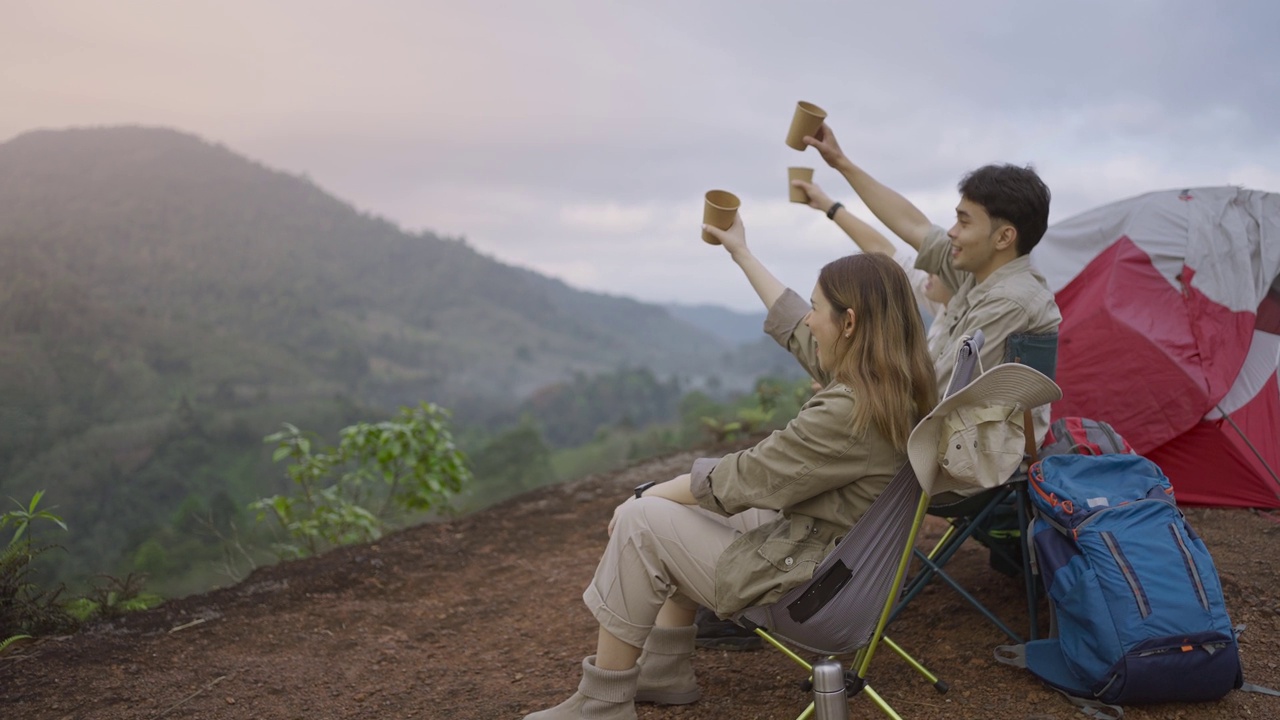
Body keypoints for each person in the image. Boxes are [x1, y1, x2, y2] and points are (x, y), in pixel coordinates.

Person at [520, 214, 938, 719]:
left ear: (849, 324)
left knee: (642, 521)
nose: (808, 319)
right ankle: (663, 671)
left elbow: (746, 477)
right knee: (693, 511)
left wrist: (648, 491)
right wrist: (740, 251)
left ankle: (603, 702)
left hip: (817, 597)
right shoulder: (897, 388)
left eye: (816, 308)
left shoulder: (850, 410)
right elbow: (793, 334)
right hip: (843, 570)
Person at [800, 123, 1061, 442]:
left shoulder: (1011, 301)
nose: (952, 231)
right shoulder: (976, 274)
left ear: (1004, 237)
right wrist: (840, 162)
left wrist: (855, 386)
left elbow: (940, 394)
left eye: (964, 222)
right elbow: (913, 224)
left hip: (965, 467)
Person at [792, 177, 954, 345]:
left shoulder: (970, 320)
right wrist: (829, 206)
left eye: (940, 264)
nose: (928, 269)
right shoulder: (945, 308)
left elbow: (913, 229)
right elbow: (885, 253)